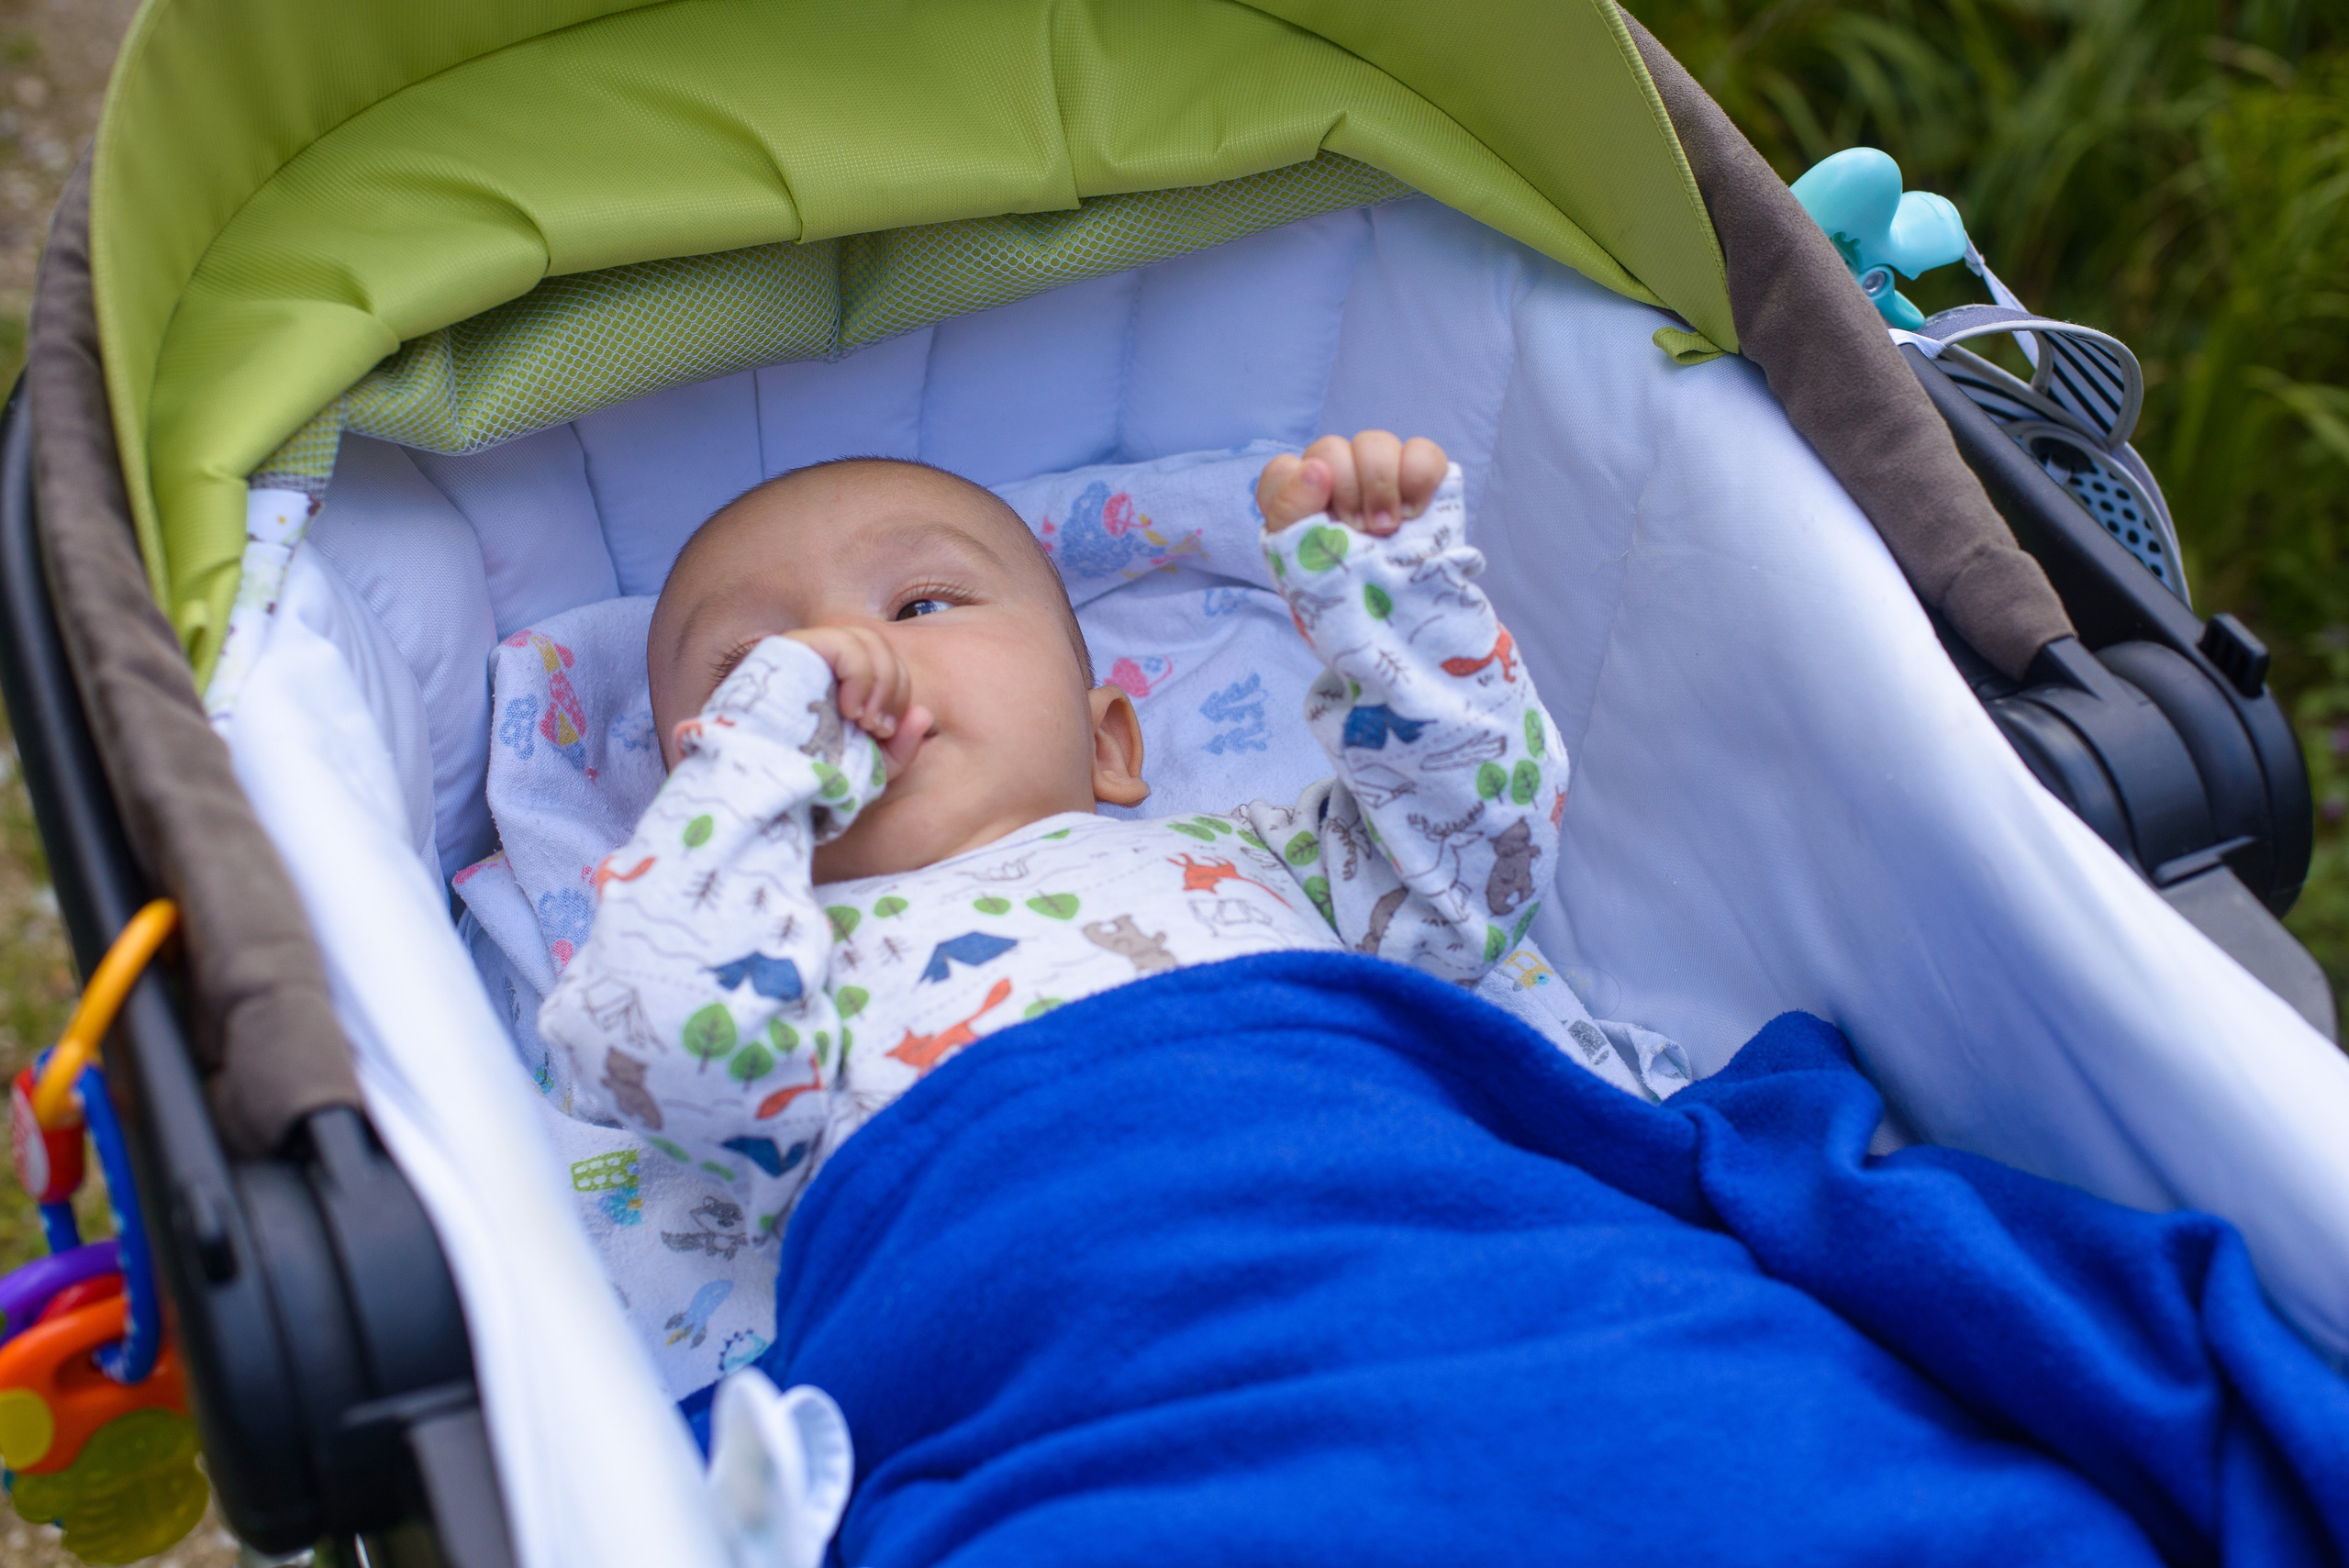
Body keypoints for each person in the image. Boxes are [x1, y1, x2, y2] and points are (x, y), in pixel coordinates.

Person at [539, 433, 1682, 1237]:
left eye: (920, 604)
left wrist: (1396, 611)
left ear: (1112, 749)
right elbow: (656, 1053)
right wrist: (758, 770)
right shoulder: (772, 976)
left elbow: (1479, 865)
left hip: (1403, 1191)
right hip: (1061, 1295)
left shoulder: (1249, 856)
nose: (839, 656)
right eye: (751, 664)